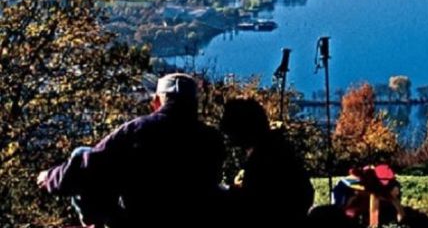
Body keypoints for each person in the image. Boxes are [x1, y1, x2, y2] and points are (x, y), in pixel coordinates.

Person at [37, 73, 225, 228]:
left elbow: (88, 165)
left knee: (81, 154)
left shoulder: (138, 129)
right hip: (194, 218)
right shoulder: (212, 138)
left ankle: (92, 223)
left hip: (137, 220)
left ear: (157, 102)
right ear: (194, 105)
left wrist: (50, 177)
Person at [219, 98, 314, 228]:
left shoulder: (266, 156)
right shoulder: (276, 149)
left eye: (229, 123)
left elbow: (257, 202)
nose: (223, 128)